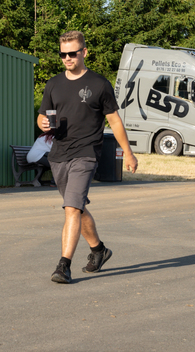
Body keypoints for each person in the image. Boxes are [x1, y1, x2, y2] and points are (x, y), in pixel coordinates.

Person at [38, 30, 138, 284]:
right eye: (63, 54)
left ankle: (63, 266)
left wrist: (128, 152)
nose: (67, 58)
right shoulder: (53, 84)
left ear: (84, 52)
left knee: (71, 207)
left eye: (72, 53)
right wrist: (42, 124)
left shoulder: (99, 84)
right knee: (78, 209)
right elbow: (42, 117)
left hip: (86, 154)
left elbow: (114, 121)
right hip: (59, 154)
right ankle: (99, 251)